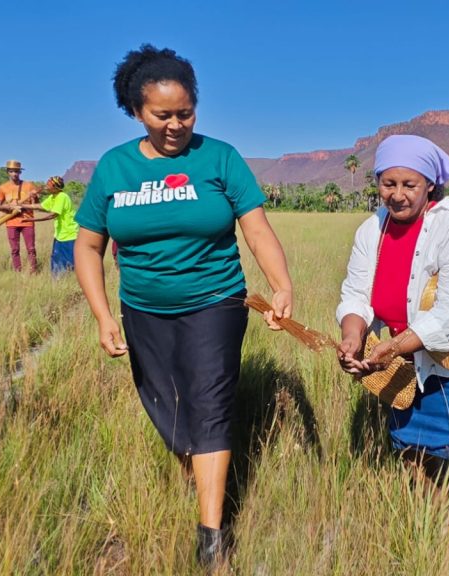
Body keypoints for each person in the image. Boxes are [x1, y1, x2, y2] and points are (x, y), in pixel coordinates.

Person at [74, 44, 293, 569]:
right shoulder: (114, 168)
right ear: (135, 111)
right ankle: (197, 477)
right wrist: (104, 315)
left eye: (185, 113)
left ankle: (211, 535)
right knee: (167, 408)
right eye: (162, 115)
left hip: (215, 300)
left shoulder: (219, 157)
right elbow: (87, 246)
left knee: (209, 401)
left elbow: (256, 229)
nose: (176, 125)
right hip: (143, 308)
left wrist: (281, 284)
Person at [336, 135, 449, 570]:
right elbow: (356, 294)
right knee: (415, 448)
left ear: (429, 187)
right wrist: (352, 336)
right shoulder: (371, 230)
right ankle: (437, 542)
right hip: (409, 355)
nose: (397, 194)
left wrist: (392, 348)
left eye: (409, 184)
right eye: (387, 183)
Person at [19, 176, 78, 275]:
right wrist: (21, 205)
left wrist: (33, 219)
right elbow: (40, 206)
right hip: (60, 235)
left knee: (69, 262)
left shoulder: (62, 197)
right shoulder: (53, 197)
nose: (47, 187)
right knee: (56, 258)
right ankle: (57, 282)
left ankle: (70, 282)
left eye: (49, 185)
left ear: (55, 188)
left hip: (70, 235)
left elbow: (53, 215)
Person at [0, 159, 40, 272]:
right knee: (14, 249)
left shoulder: (29, 185)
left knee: (31, 248)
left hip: (28, 221)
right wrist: (10, 207)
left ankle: (33, 271)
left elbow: (37, 204)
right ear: (8, 172)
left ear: (20, 172)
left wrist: (34, 197)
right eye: (11, 171)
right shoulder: (3, 188)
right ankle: (17, 271)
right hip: (11, 222)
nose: (14, 174)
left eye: (16, 171)